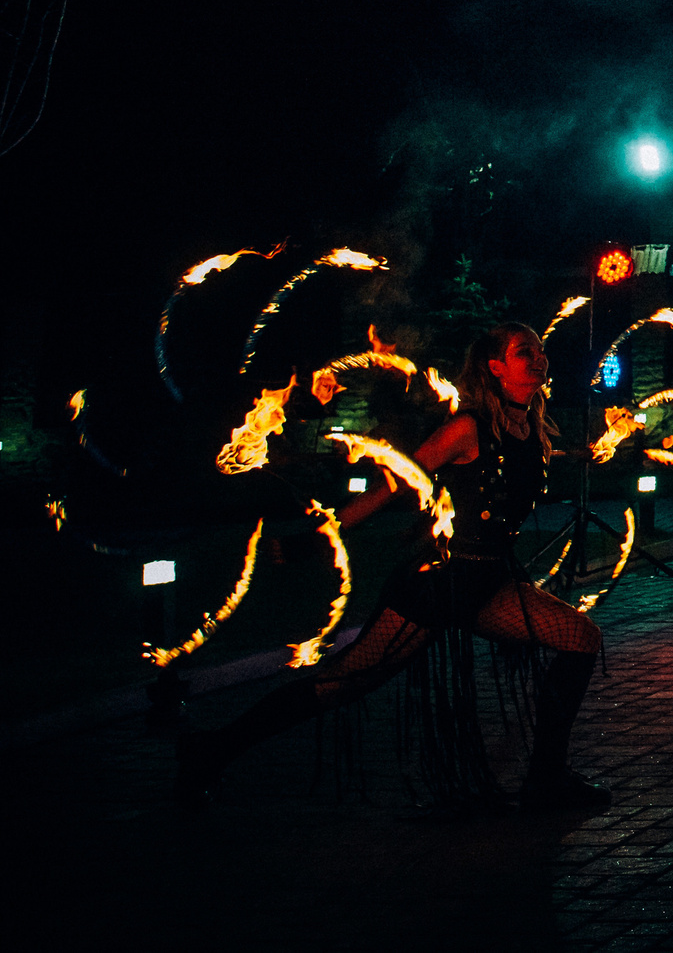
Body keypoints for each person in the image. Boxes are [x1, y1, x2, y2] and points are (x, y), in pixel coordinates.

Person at [177, 323, 610, 811]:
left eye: (539, 351)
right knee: (345, 682)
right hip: (440, 581)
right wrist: (318, 543)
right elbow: (395, 486)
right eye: (523, 352)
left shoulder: (533, 425)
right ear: (495, 367)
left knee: (581, 638)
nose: (537, 359)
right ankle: (211, 749)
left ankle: (546, 778)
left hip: (491, 579)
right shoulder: (465, 429)